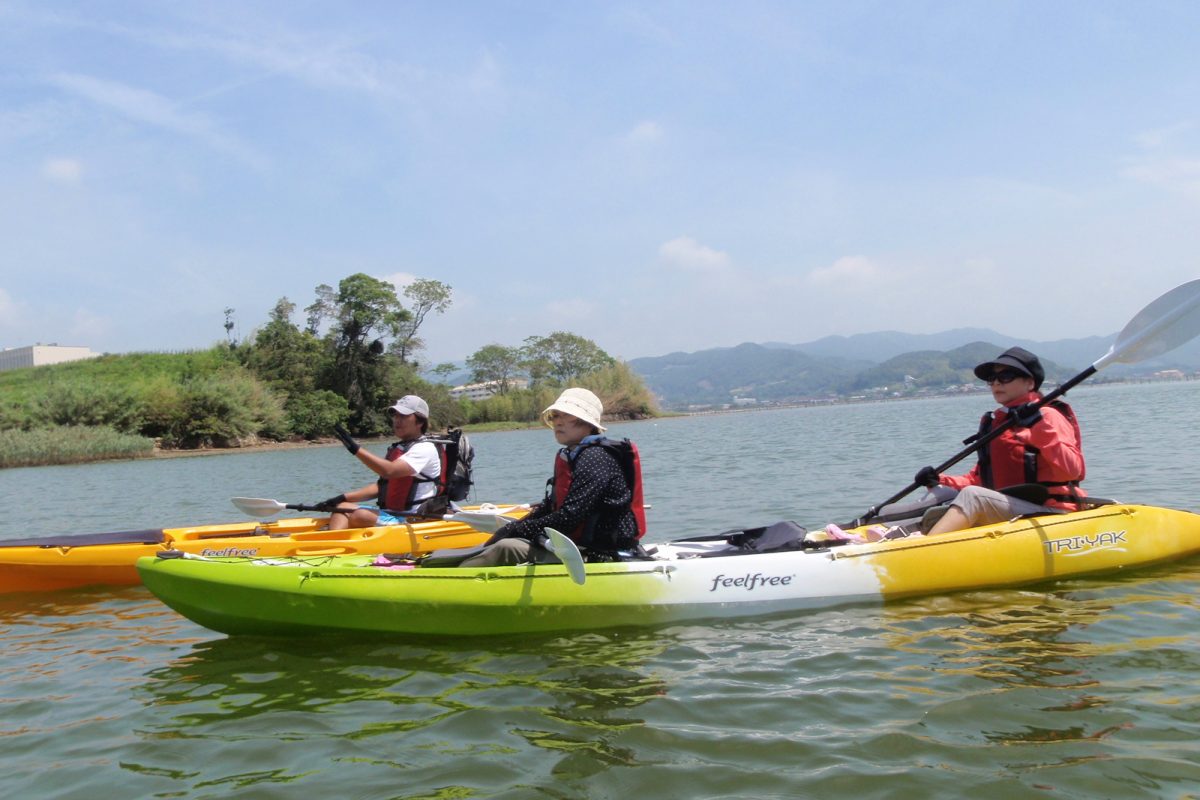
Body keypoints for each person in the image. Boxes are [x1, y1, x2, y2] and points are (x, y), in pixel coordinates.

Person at [459, 387, 645, 568]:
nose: (558, 422)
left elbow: (568, 518)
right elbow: (550, 508)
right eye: (555, 415)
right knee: (508, 539)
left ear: (588, 423)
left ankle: (451, 581)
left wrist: (518, 530)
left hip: (601, 554)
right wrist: (515, 527)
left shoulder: (595, 457)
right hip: (578, 547)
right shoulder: (575, 456)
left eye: (567, 415)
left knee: (505, 548)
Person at [914, 346, 1087, 535]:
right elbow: (978, 479)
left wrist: (1039, 431)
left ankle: (923, 548)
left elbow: (1073, 469)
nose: (996, 383)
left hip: (1052, 511)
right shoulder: (1002, 422)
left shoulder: (1047, 416)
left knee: (973, 496)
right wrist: (939, 479)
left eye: (1006, 376)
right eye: (992, 379)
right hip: (1013, 507)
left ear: (1030, 383)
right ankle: (894, 538)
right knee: (940, 492)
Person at [318, 395, 444, 530]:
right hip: (392, 514)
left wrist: (356, 449)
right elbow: (382, 486)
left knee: (358, 515)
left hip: (413, 519)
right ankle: (334, 549)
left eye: (404, 416)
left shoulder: (424, 448)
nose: (397, 420)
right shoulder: (400, 448)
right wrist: (342, 498)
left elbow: (389, 471)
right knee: (341, 507)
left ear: (420, 422)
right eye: (395, 416)